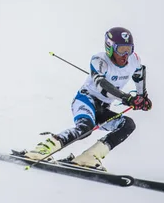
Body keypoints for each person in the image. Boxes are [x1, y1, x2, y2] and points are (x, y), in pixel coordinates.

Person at [24, 27, 152, 171]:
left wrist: (142, 97)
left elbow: (139, 73)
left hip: (103, 108)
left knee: (127, 125)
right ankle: (41, 150)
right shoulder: (99, 60)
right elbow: (101, 86)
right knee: (86, 128)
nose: (126, 55)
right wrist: (127, 98)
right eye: (121, 49)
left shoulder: (134, 60)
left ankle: (89, 157)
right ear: (110, 47)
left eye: (129, 49)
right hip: (86, 100)